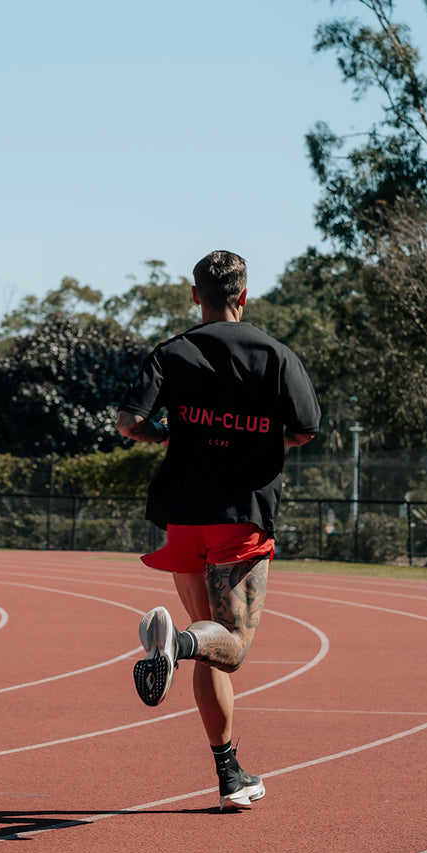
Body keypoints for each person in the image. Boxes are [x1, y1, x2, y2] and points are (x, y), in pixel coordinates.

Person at [116, 251, 319, 810]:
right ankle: (175, 646)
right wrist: (255, 439)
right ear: (244, 296)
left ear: (194, 294)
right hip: (240, 516)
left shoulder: (173, 352)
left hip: (183, 516)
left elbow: (129, 421)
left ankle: (230, 776)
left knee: (212, 638)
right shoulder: (277, 356)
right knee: (228, 648)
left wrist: (169, 436)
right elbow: (304, 431)